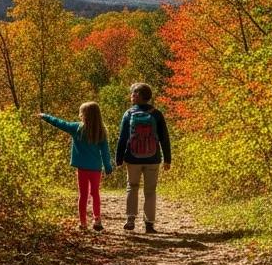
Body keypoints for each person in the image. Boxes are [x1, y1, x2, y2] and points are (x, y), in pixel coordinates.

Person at [37, 104, 113, 231]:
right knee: (95, 194)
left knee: (83, 195)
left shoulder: (76, 128)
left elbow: (59, 123)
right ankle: (97, 219)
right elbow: (105, 151)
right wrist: (108, 166)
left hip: (82, 168)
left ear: (85, 115)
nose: (80, 115)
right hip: (95, 169)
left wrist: (45, 116)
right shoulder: (101, 131)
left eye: (81, 113)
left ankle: (83, 223)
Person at [116, 82, 171, 234]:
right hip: (153, 158)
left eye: (133, 93)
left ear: (139, 95)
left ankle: (130, 219)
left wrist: (119, 158)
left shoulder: (128, 114)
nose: (131, 96)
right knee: (150, 191)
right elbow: (164, 138)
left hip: (132, 158)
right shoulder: (156, 113)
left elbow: (123, 138)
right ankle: (149, 224)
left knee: (132, 187)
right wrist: (167, 159)